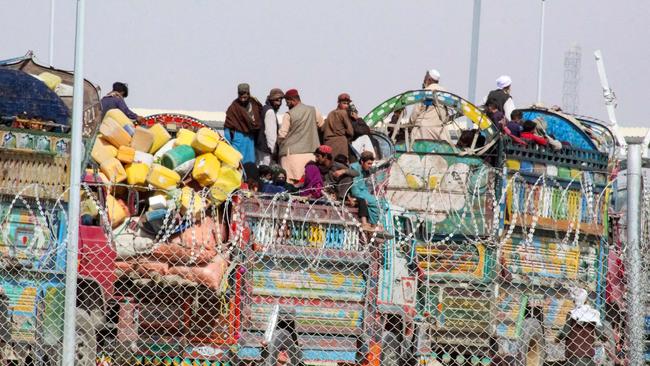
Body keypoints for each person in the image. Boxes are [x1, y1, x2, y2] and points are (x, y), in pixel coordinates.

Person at [277, 89, 325, 183]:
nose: (286, 105)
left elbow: (282, 135)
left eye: (287, 102)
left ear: (292, 100)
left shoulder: (288, 114)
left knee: (292, 185)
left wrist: (278, 147)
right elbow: (323, 126)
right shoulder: (313, 110)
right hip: (311, 154)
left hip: (291, 156)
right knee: (309, 183)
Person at [557, 288, 603, 366]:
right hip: (588, 356)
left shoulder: (572, 314)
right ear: (586, 300)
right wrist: (604, 339)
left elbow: (565, 333)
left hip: (573, 355)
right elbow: (601, 334)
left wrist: (557, 338)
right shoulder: (593, 314)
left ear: (574, 301)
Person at [409, 69, 452, 144]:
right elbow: (448, 114)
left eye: (424, 79)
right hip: (440, 133)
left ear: (428, 79)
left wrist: (410, 122)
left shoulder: (424, 92)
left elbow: (414, 114)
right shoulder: (446, 93)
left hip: (422, 132)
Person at [224, 83, 263, 165]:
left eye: (245, 94)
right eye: (240, 94)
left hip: (250, 141)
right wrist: (229, 143)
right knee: (238, 165)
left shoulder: (254, 105)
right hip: (238, 140)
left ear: (248, 93)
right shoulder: (234, 107)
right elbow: (228, 126)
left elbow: (258, 121)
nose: (242, 97)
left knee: (250, 166)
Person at [350, 151, 381, 230]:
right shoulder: (354, 168)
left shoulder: (364, 168)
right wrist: (362, 197)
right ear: (362, 162)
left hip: (363, 191)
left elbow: (373, 171)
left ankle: (372, 223)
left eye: (371, 163)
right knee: (375, 202)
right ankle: (374, 224)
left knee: (381, 202)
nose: (370, 166)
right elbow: (354, 188)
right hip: (358, 192)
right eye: (368, 163)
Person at [323, 93, 354, 160]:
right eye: (344, 103)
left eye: (347, 104)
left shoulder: (330, 113)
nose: (346, 106)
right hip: (340, 143)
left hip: (328, 143)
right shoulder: (343, 113)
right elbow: (350, 132)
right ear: (338, 103)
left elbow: (323, 129)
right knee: (341, 166)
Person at [257, 88, 284, 165]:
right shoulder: (270, 112)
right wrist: (273, 152)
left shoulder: (264, 108)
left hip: (261, 149)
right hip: (267, 152)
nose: (279, 103)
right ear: (271, 100)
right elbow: (270, 135)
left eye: (280, 100)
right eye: (276, 100)